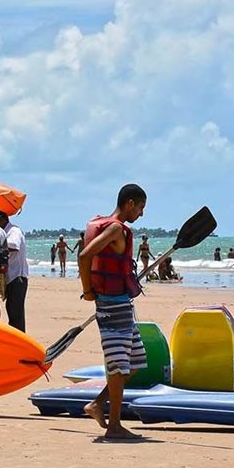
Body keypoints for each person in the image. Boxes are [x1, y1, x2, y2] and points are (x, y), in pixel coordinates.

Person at [78, 183, 148, 440]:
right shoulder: (116, 228)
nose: (141, 214)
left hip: (120, 303)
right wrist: (87, 291)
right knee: (118, 366)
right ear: (129, 203)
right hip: (111, 305)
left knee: (136, 362)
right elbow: (85, 256)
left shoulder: (106, 225)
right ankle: (114, 426)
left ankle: (98, 404)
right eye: (140, 207)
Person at [0, 211, 29, 331]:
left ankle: (20, 341)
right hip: (11, 277)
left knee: (16, 313)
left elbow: (14, 245)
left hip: (18, 277)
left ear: (2, 220)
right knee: (12, 310)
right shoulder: (5, 232)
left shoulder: (14, 231)